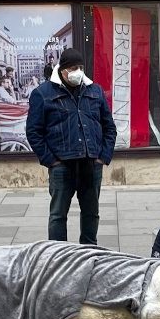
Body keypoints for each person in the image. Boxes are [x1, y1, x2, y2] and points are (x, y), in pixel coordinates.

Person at [26, 47, 117, 244]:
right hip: (62, 165)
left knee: (91, 213)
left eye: (81, 67)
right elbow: (34, 132)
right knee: (58, 215)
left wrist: (103, 157)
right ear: (63, 70)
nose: (78, 72)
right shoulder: (42, 93)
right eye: (73, 68)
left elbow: (109, 127)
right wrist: (51, 161)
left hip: (91, 163)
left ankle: (89, 251)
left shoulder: (95, 90)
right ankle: (59, 254)